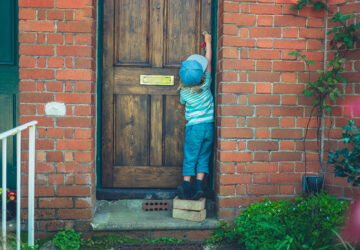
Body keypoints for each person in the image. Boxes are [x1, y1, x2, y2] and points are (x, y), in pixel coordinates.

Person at [177, 33, 214, 200]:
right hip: (209, 127)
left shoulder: (184, 92)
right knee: (204, 155)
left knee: (190, 155)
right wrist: (208, 42)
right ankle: (199, 185)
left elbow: (183, 102)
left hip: (194, 128)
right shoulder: (206, 84)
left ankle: (186, 185)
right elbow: (208, 63)